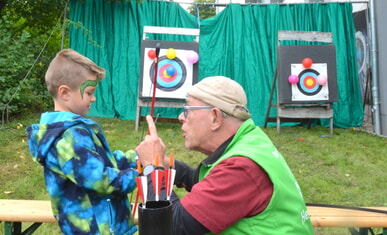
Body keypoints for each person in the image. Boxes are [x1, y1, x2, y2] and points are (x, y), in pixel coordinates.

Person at [135, 76, 314, 234]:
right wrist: (169, 166)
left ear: (215, 117)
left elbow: (171, 226)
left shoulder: (242, 167)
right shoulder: (251, 140)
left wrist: (153, 167)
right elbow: (212, 188)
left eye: (188, 109)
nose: (181, 116)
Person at [26, 49, 138, 235]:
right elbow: (101, 181)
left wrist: (135, 158)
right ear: (65, 93)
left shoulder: (72, 130)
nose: (93, 98)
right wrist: (142, 176)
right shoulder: (68, 137)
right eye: (89, 92)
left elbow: (100, 163)